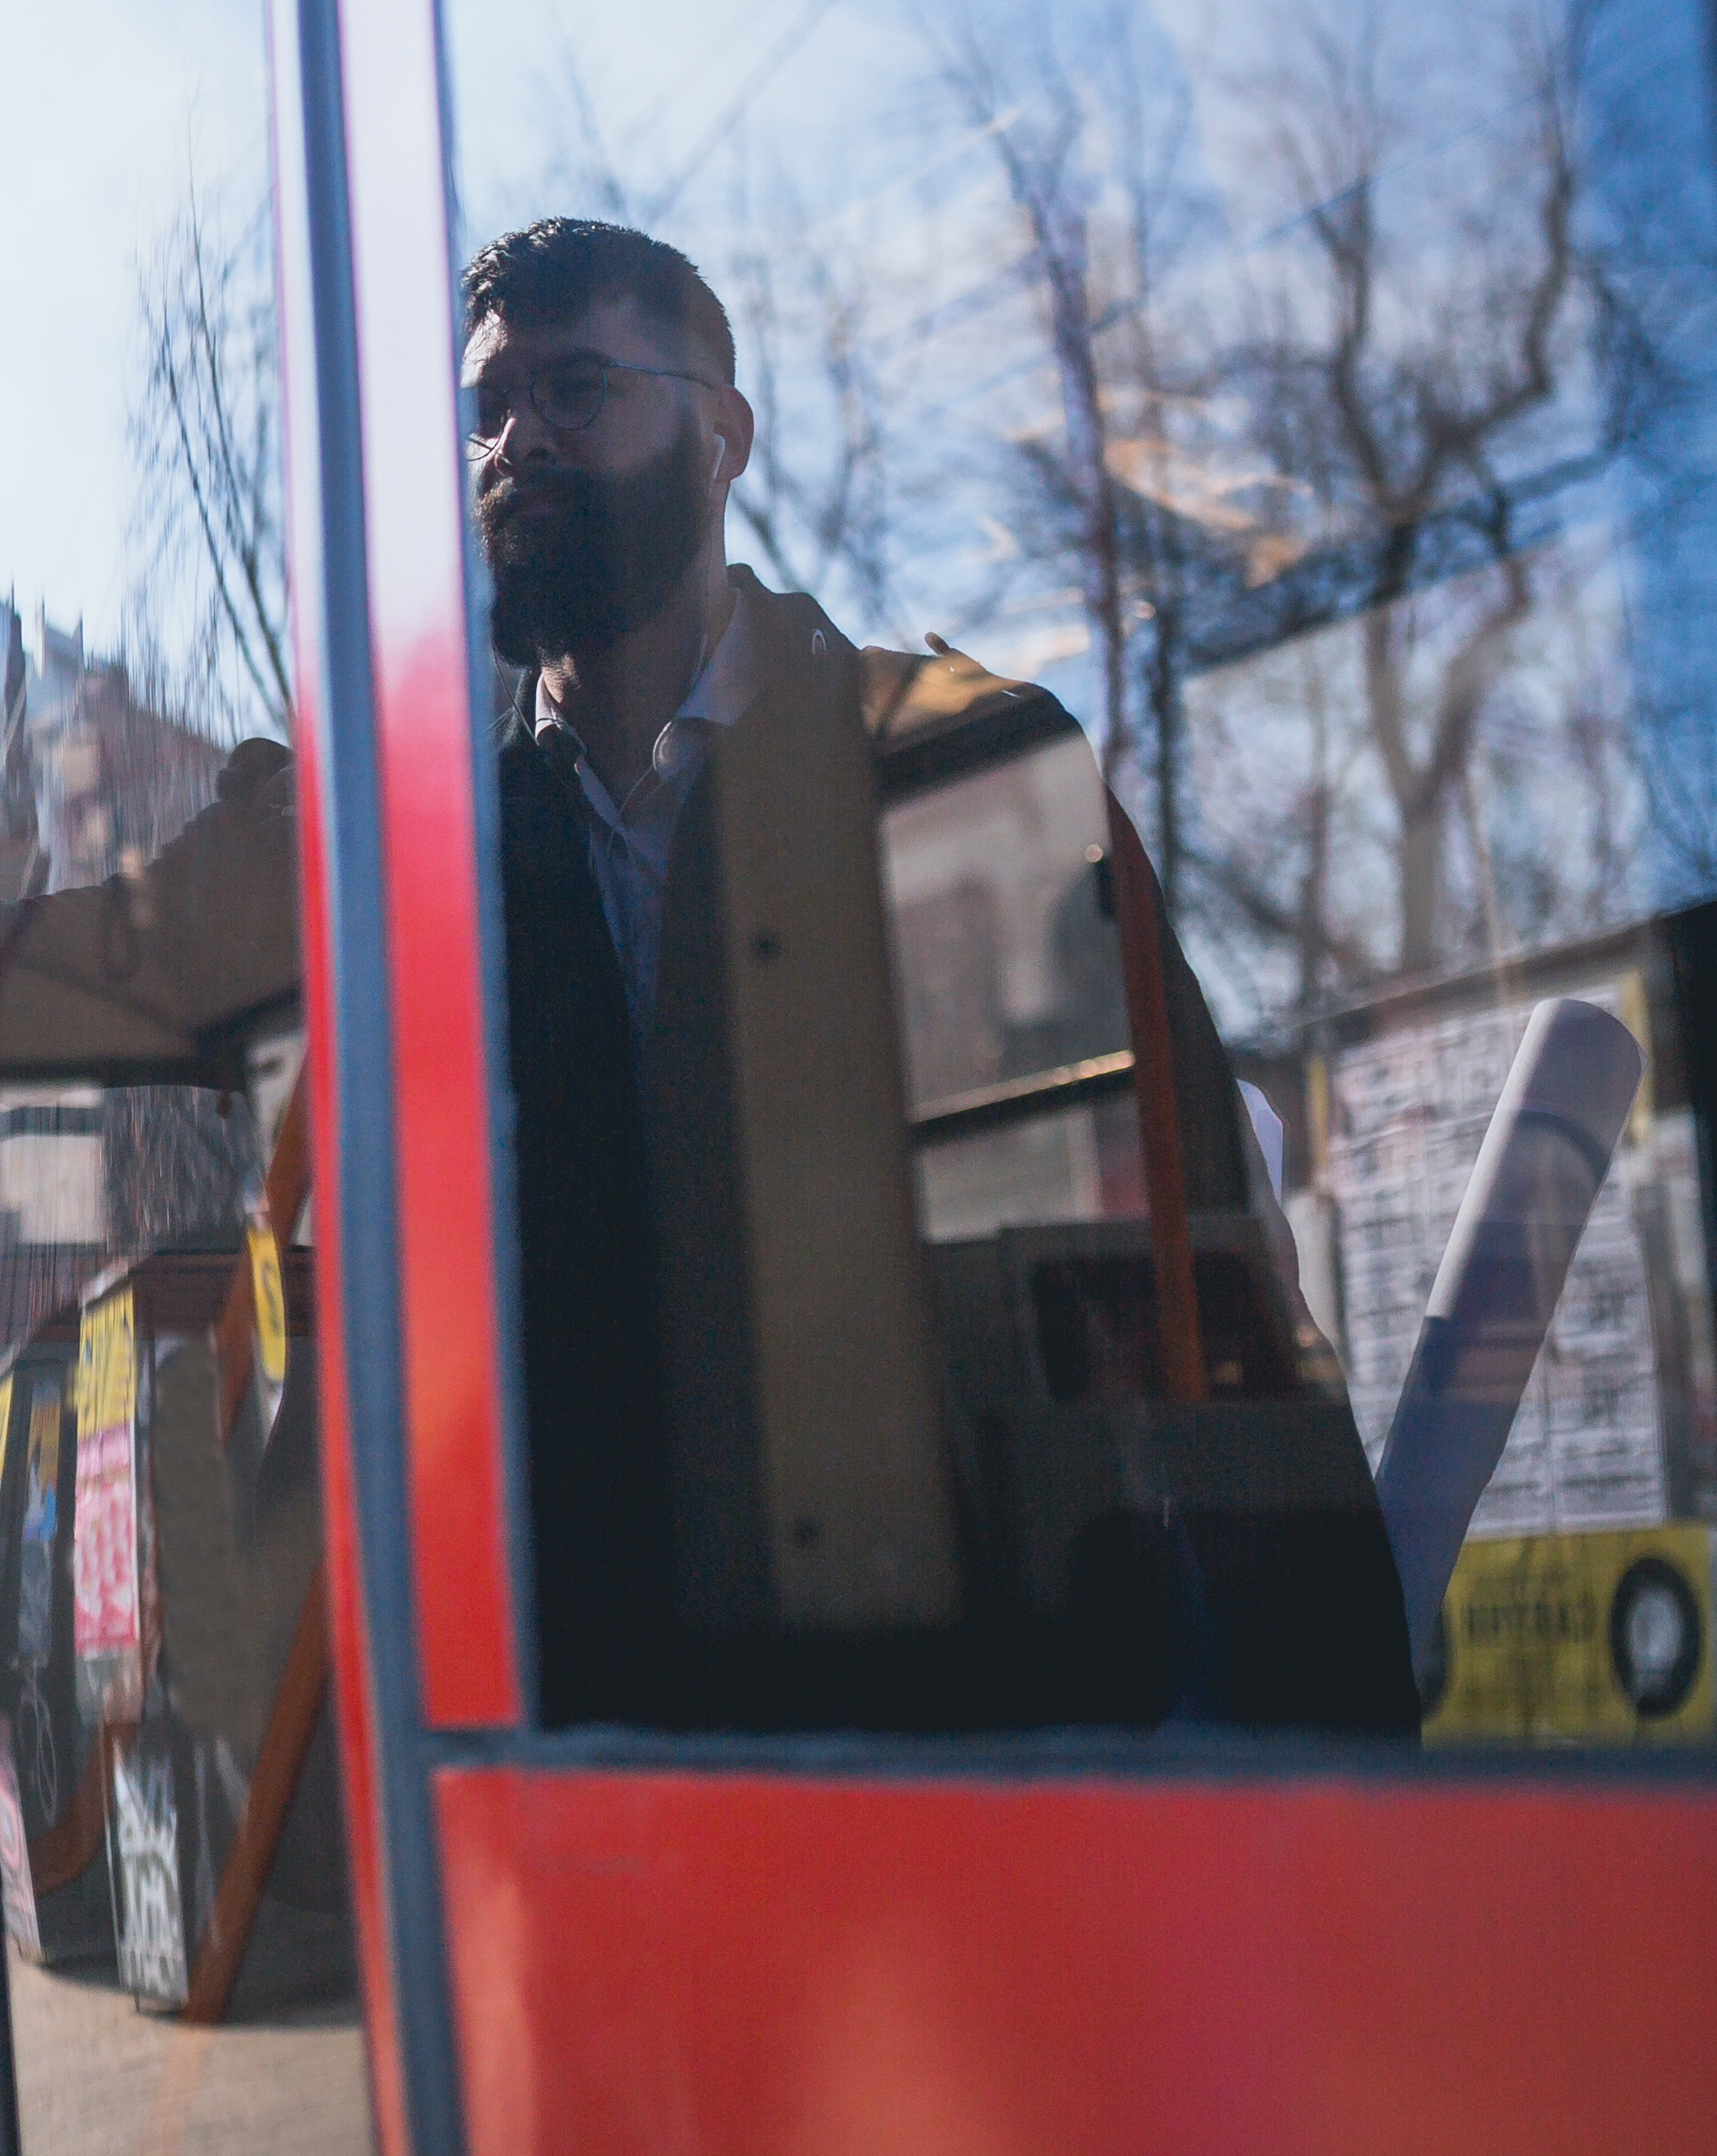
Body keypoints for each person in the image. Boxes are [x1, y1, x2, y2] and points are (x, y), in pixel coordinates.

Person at [462, 215, 1405, 1736]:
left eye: (575, 389)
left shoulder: (959, 764)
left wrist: (1330, 1723)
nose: (517, 444)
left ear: (719, 439)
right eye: (488, 411)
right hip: (591, 1739)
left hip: (963, 1708)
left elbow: (1188, 1254)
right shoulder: (444, 868)